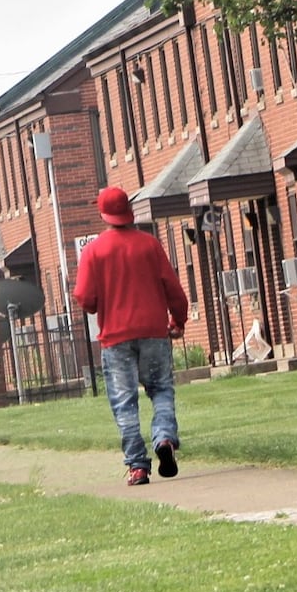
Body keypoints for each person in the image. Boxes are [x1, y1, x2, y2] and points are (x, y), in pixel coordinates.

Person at [73, 186, 190, 486]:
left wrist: (100, 302)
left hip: (116, 338)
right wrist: (177, 320)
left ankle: (138, 466)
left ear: (103, 214)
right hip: (153, 332)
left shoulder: (93, 251)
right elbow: (173, 289)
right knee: (161, 389)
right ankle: (164, 438)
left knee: (124, 402)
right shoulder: (150, 245)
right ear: (129, 211)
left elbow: (86, 299)